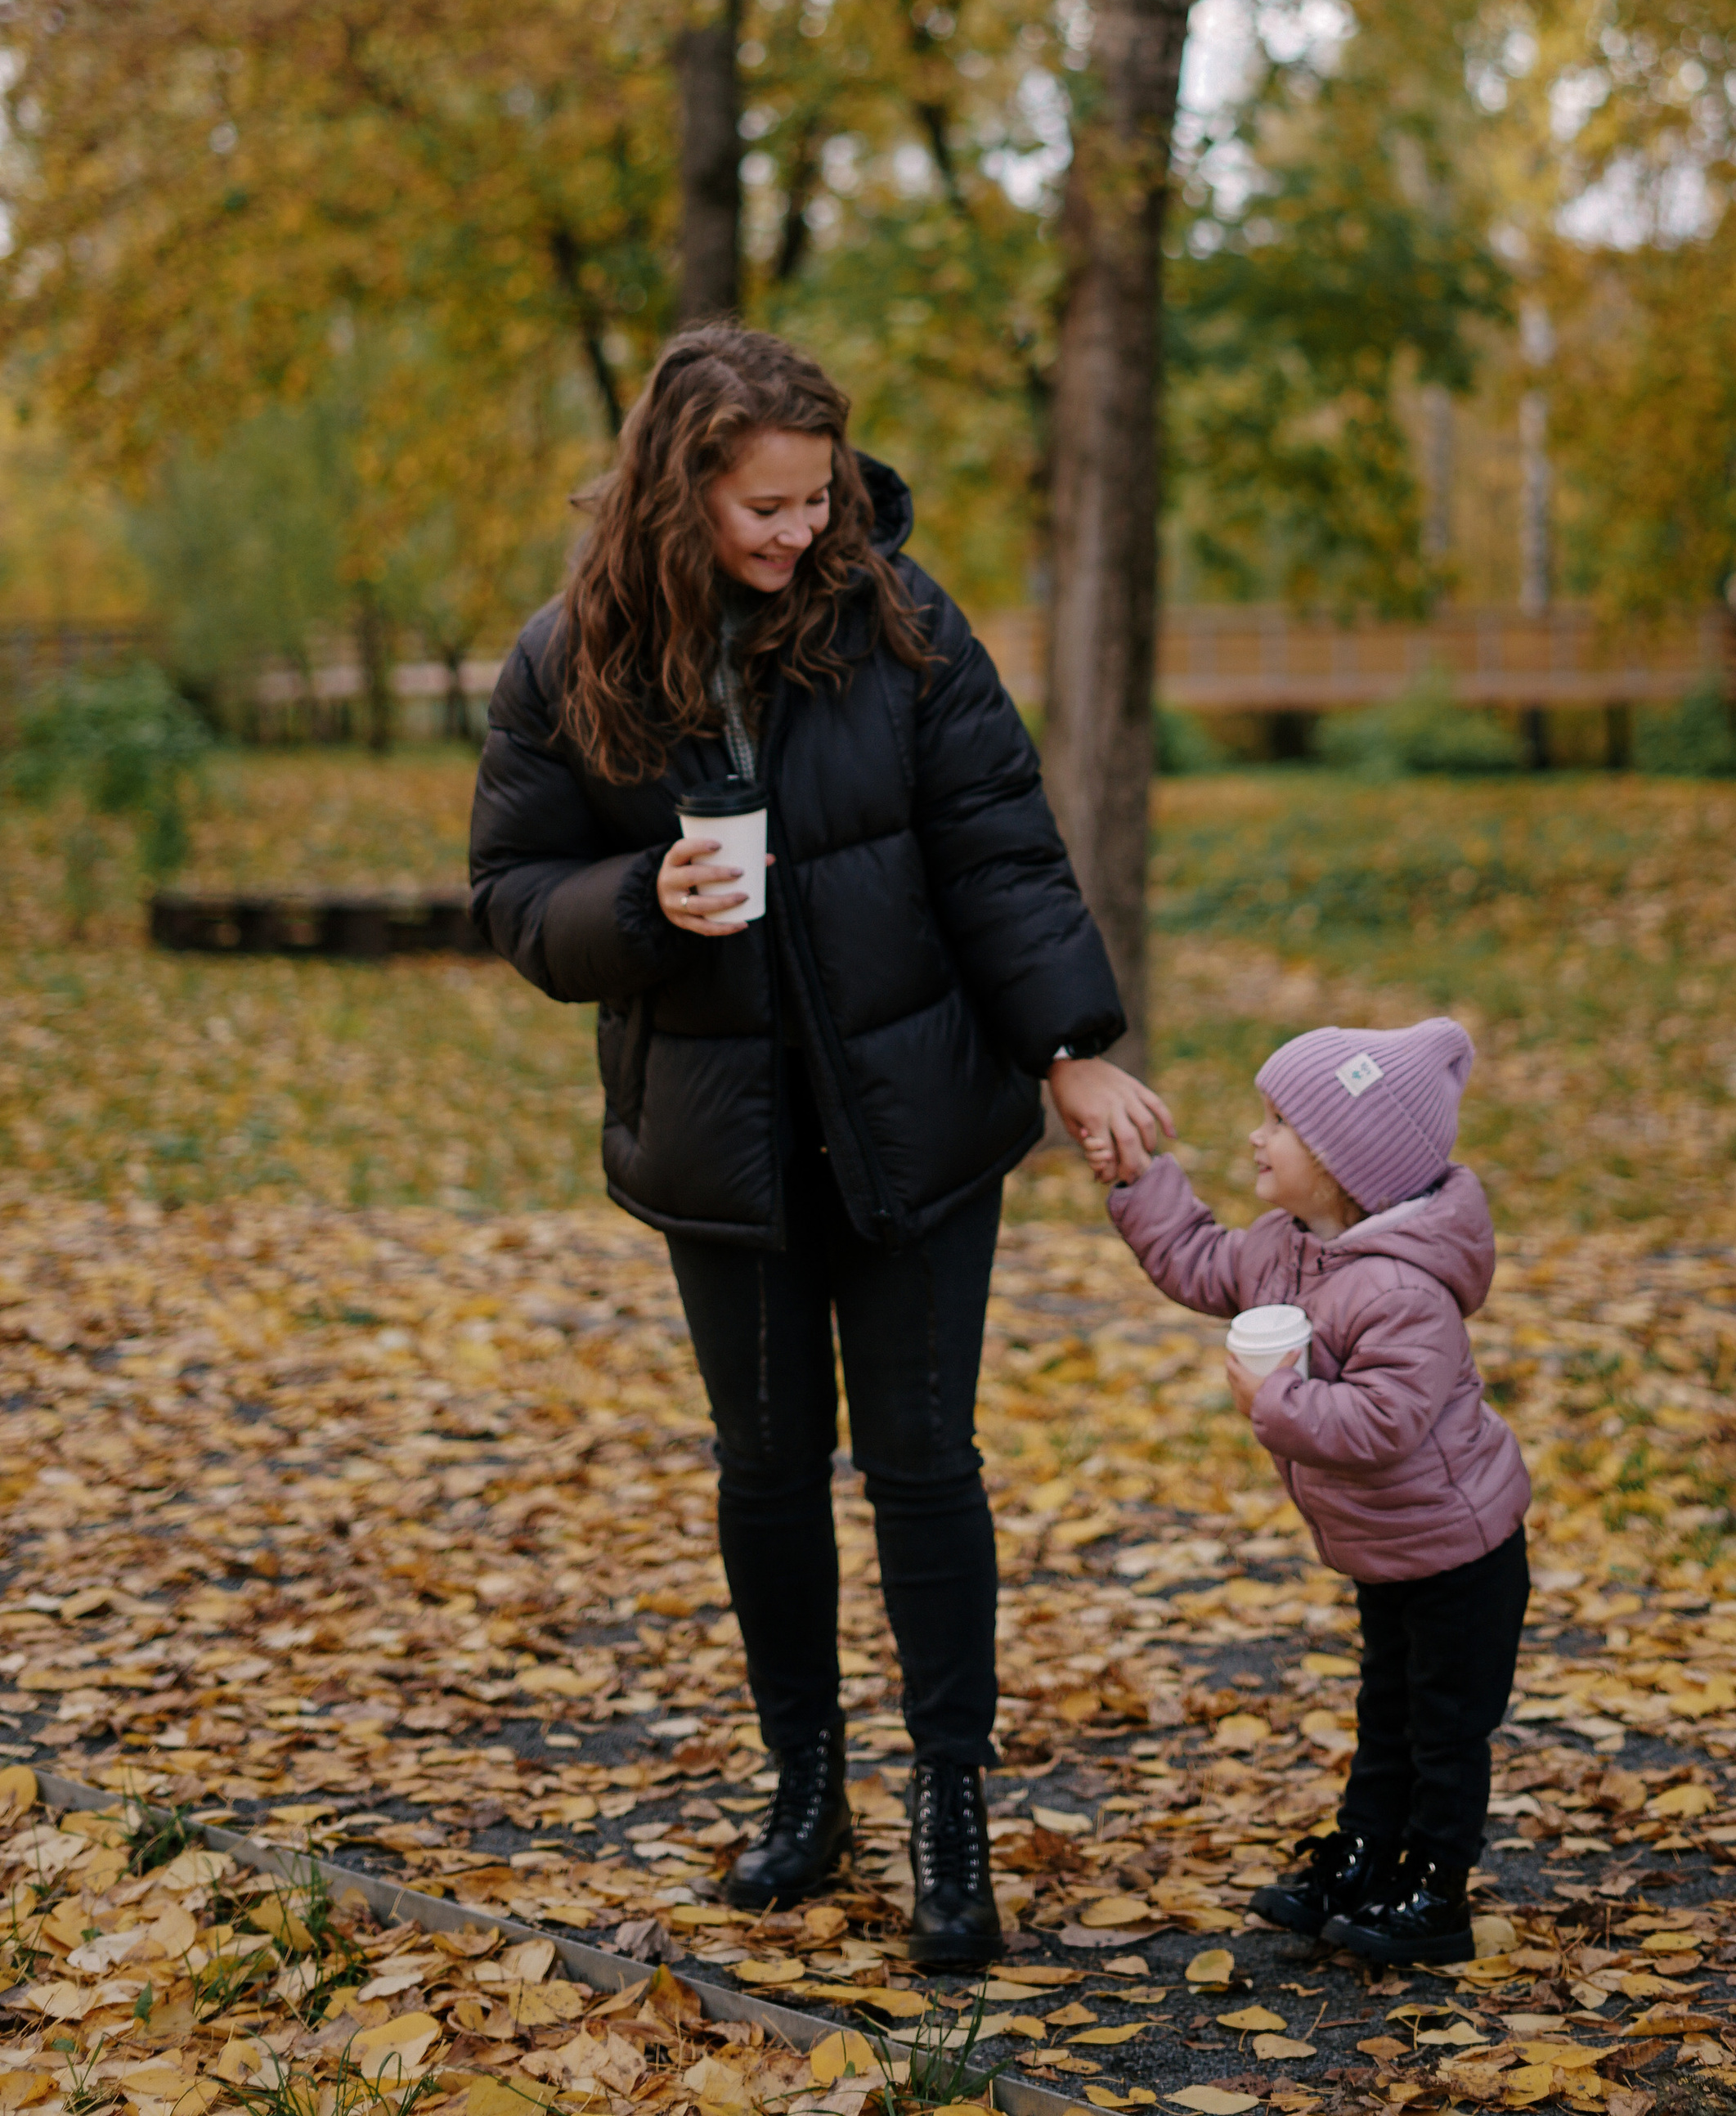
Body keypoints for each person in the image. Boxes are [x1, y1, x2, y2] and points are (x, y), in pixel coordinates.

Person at [469, 324, 1168, 1964]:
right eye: (767, 506)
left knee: (923, 1465)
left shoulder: (899, 621)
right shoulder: (569, 661)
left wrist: (1068, 1053)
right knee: (768, 1472)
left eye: (818, 498)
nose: (802, 531)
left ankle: (948, 1805)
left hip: (916, 1121)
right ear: (679, 491)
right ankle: (806, 1786)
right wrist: (638, 900)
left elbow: (998, 848)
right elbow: (511, 892)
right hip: (723, 1142)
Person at [1087, 1017, 1529, 1968]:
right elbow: (1198, 1259)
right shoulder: (1283, 1248)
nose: (1257, 1137)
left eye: (1279, 1124)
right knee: (1387, 1709)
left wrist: (1273, 1401)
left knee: (1444, 1729)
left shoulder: (1404, 1293)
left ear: (1342, 1163)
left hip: (1463, 1552)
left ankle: (1434, 1889)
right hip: (1388, 1547)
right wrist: (1139, 1181)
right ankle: (1364, 1856)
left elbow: (1382, 1423)